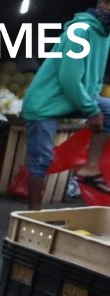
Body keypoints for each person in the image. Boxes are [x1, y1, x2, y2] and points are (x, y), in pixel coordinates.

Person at [22, 2, 110, 210]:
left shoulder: (105, 35)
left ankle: (90, 168)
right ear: (104, 4)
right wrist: (91, 109)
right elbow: (68, 77)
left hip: (71, 99)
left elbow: (96, 77)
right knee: (42, 159)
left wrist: (93, 103)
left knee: (108, 109)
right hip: (44, 103)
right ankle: (33, 213)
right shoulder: (79, 31)